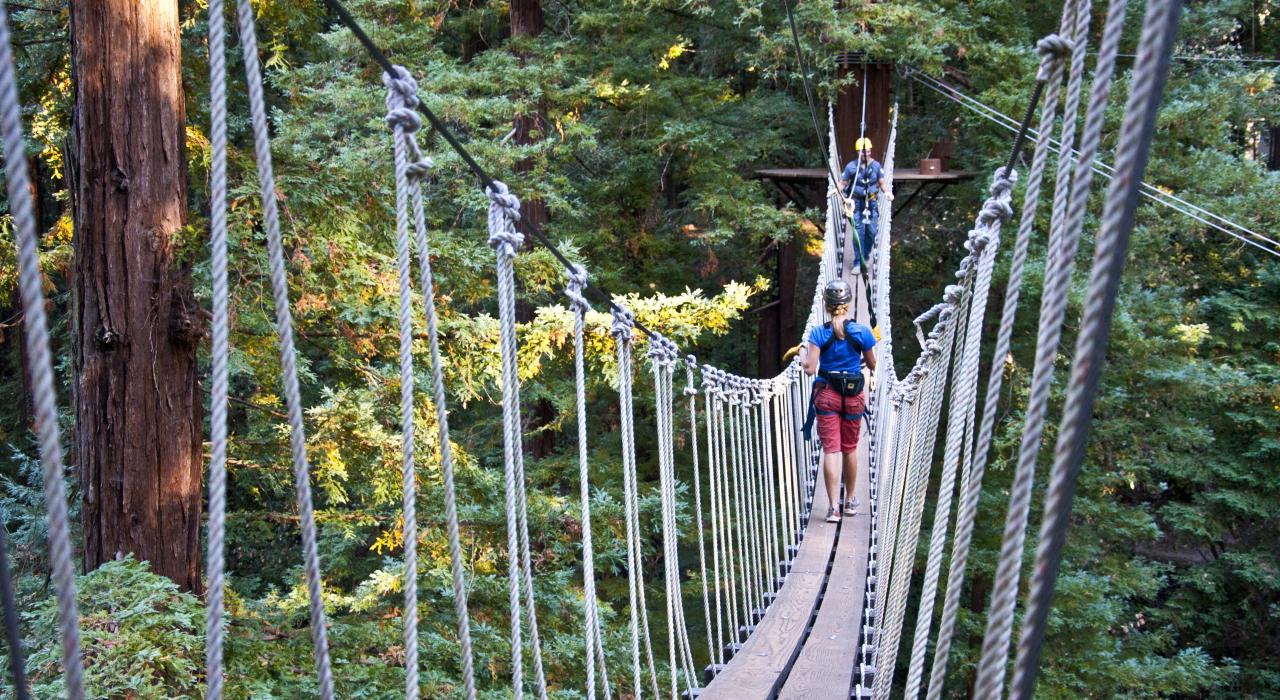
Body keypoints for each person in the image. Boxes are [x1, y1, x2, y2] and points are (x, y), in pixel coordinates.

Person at [802, 279, 877, 523]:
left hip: (827, 395)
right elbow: (873, 364)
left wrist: (803, 353)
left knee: (831, 450)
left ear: (826, 304)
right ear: (848, 304)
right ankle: (851, 500)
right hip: (854, 396)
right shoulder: (862, 331)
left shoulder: (818, 332)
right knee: (849, 449)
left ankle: (833, 508)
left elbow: (810, 369)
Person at [838, 137, 893, 266]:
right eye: (862, 152)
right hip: (855, 202)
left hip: (871, 202)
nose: (865, 154)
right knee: (858, 231)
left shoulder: (876, 166)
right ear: (857, 152)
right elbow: (842, 183)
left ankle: (865, 256)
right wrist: (836, 191)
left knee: (872, 231)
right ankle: (858, 262)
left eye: (867, 151)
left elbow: (882, 183)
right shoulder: (851, 167)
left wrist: (888, 192)